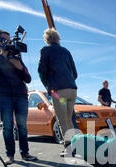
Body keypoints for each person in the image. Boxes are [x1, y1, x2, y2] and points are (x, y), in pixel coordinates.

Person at [0, 29, 37, 165]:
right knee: (7, 126)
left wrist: (19, 67)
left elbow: (28, 79)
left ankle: (25, 153)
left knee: (22, 127)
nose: (7, 43)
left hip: (20, 95)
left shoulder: (16, 55)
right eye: (4, 40)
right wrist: (3, 56)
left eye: (8, 40)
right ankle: (10, 155)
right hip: (3, 95)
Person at [38, 28, 78, 157]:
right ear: (58, 38)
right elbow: (75, 73)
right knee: (69, 118)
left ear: (47, 39)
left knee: (62, 120)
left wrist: (48, 86)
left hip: (58, 92)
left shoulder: (45, 51)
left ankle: (68, 147)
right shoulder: (66, 51)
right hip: (72, 90)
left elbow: (41, 71)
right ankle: (75, 145)